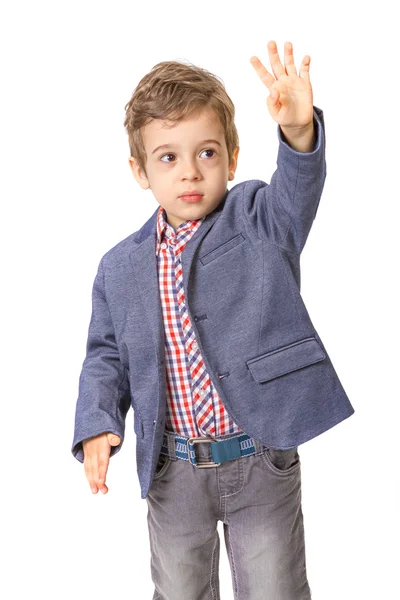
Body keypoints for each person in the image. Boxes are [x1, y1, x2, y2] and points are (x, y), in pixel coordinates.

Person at [71, 40, 355, 599]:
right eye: (168, 157)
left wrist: (299, 134)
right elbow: (105, 354)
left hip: (260, 458)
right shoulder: (120, 267)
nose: (190, 172)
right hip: (173, 469)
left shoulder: (257, 220)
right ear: (139, 169)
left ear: (232, 156)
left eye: (207, 152)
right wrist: (99, 423)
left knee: (275, 590)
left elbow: (297, 196)